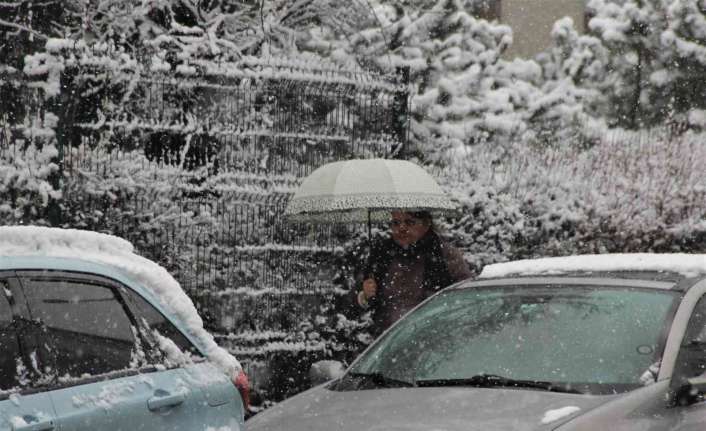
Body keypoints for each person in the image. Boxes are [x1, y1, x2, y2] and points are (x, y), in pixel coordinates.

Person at [356, 210, 472, 335]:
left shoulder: (444, 254)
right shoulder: (381, 255)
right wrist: (364, 296)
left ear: (426, 224)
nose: (401, 228)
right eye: (395, 223)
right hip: (387, 340)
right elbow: (353, 300)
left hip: (433, 336)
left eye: (409, 222)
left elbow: (466, 296)